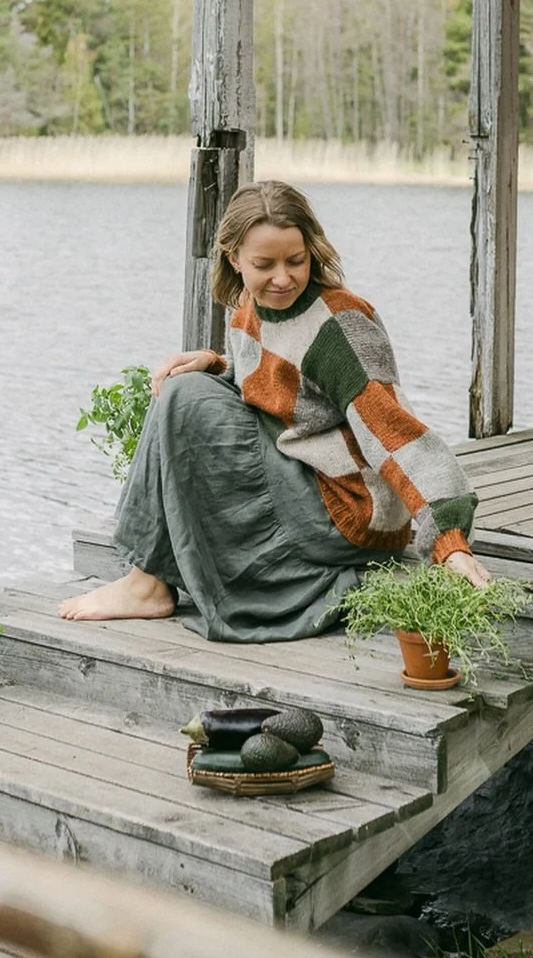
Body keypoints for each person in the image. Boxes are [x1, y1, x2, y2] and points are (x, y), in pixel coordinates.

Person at [59, 180, 490, 641]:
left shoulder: (340, 325)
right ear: (235, 259)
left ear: (312, 251)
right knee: (179, 387)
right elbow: (279, 387)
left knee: (184, 399)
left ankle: (146, 586)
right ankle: (147, 581)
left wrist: (449, 541)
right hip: (302, 478)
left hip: (347, 513)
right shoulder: (251, 308)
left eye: (295, 261)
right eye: (264, 264)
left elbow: (394, 432)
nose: (282, 278)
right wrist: (216, 365)